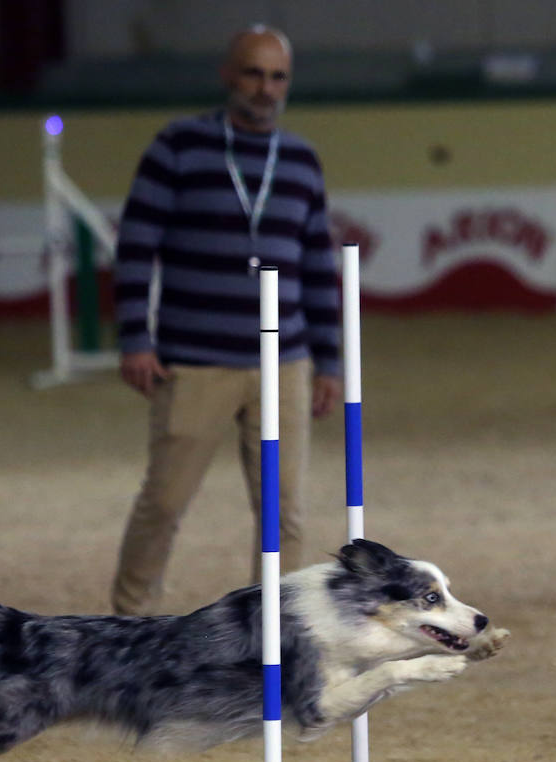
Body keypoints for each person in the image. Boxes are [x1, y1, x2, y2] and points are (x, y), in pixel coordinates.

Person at [110, 24, 342, 616]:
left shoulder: (301, 159)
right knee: (163, 503)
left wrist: (330, 361)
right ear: (227, 75)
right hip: (193, 362)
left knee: (284, 511)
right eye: (253, 73)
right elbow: (136, 246)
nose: (265, 88)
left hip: (282, 363)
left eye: (278, 76)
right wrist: (136, 337)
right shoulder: (177, 147)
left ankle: (280, 630)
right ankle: (128, 627)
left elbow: (318, 264)